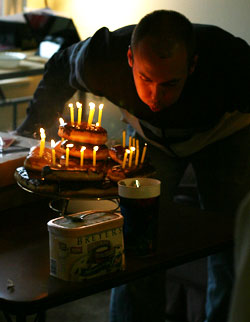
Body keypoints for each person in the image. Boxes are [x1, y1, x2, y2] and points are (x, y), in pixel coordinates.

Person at [16, 10, 250, 322]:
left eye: (170, 83)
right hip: (147, 138)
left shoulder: (233, 63)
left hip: (223, 134)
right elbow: (58, 69)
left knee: (230, 241)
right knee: (134, 241)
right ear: (129, 59)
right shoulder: (101, 57)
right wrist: (31, 142)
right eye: (145, 79)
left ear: (192, 65)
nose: (156, 96)